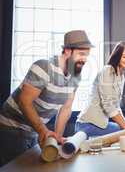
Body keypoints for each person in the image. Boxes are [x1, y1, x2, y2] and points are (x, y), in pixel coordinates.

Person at [0, 30, 93, 166]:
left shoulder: (76, 77)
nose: (84, 59)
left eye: (87, 55)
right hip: (12, 128)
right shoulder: (44, 67)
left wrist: (56, 138)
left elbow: (66, 109)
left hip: (33, 131)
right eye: (81, 54)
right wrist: (43, 131)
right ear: (67, 51)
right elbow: (24, 102)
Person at [75, 41, 125, 137]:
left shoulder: (121, 76)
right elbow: (108, 105)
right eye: (124, 56)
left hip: (100, 125)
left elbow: (116, 106)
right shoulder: (107, 70)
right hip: (87, 125)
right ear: (117, 56)